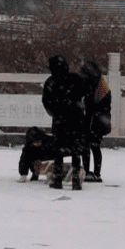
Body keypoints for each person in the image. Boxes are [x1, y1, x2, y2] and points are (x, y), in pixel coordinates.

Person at [41, 55, 87, 190]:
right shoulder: (75, 78)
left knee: (58, 150)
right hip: (76, 119)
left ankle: (58, 179)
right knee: (76, 150)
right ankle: (75, 180)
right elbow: (84, 93)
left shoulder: (51, 81)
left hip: (60, 120)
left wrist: (55, 112)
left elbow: (46, 101)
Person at [80, 60, 112, 182]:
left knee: (88, 147)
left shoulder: (93, 85)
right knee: (94, 147)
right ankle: (95, 173)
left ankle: (88, 172)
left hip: (93, 120)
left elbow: (92, 104)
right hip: (97, 121)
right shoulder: (102, 85)